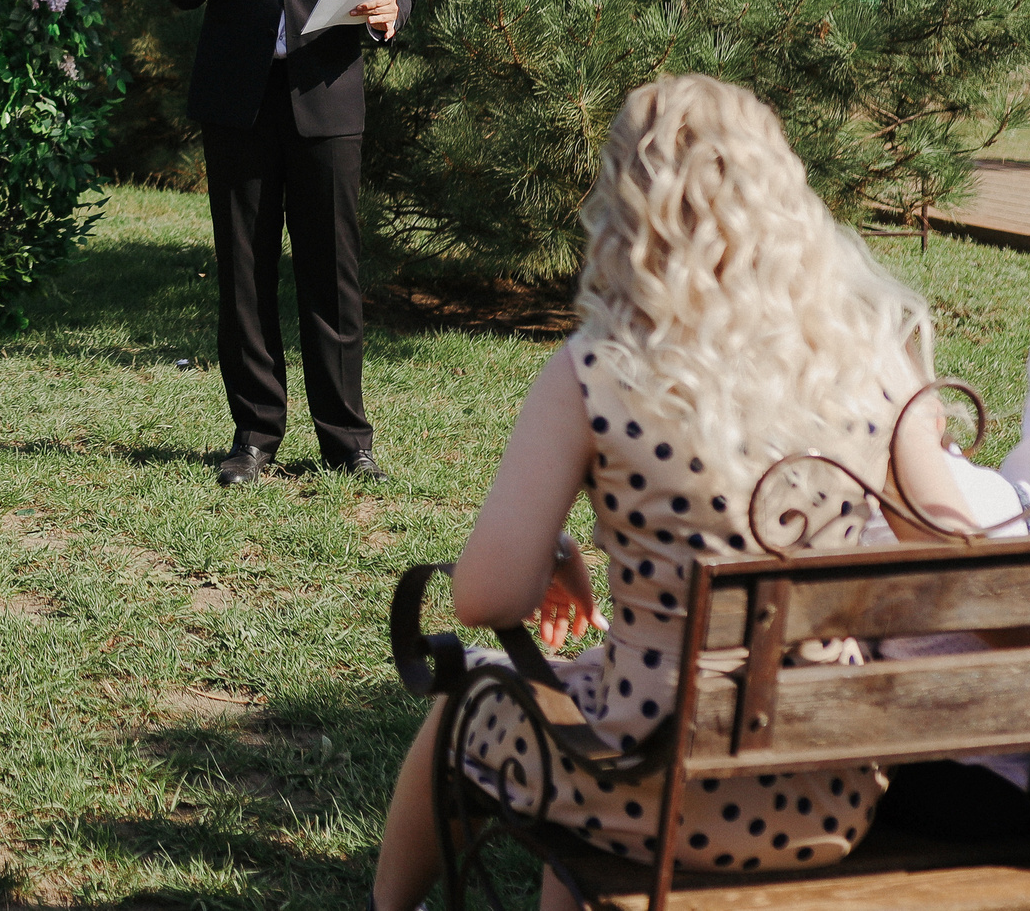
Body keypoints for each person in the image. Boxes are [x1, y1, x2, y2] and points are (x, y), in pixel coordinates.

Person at [369, 75, 972, 911]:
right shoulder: (876, 360)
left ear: (625, 204)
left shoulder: (595, 371)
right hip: (831, 789)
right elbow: (959, 565)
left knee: (469, 698)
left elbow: (485, 597)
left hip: (651, 778)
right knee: (582, 712)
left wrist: (551, 551)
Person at [161, 0, 408, 484]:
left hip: (325, 98)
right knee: (245, 273)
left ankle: (346, 440)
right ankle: (255, 436)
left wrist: (392, 10)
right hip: (238, 100)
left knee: (333, 274)